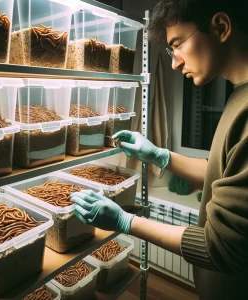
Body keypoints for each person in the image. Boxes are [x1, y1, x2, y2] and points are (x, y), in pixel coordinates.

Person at [71, 0, 248, 299]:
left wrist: (125, 221)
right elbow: (223, 174)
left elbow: (221, 248)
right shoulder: (238, 96)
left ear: (220, 27)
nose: (175, 63)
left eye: (177, 44)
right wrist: (160, 155)